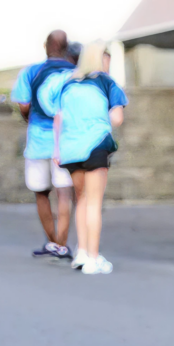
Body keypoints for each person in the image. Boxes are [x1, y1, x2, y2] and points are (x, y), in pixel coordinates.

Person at [39, 42, 127, 275]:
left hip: (70, 150)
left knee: (82, 199)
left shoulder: (66, 84)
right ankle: (94, 258)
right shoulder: (107, 83)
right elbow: (117, 118)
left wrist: (57, 150)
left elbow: (58, 117)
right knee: (94, 203)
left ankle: (81, 253)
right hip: (95, 144)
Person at [10, 30, 77, 260]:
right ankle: (63, 244)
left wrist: (29, 118)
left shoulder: (30, 71)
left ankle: (51, 241)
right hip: (66, 141)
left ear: (44, 46)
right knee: (64, 195)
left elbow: (23, 103)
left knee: (41, 193)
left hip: (38, 140)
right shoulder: (76, 73)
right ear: (67, 47)